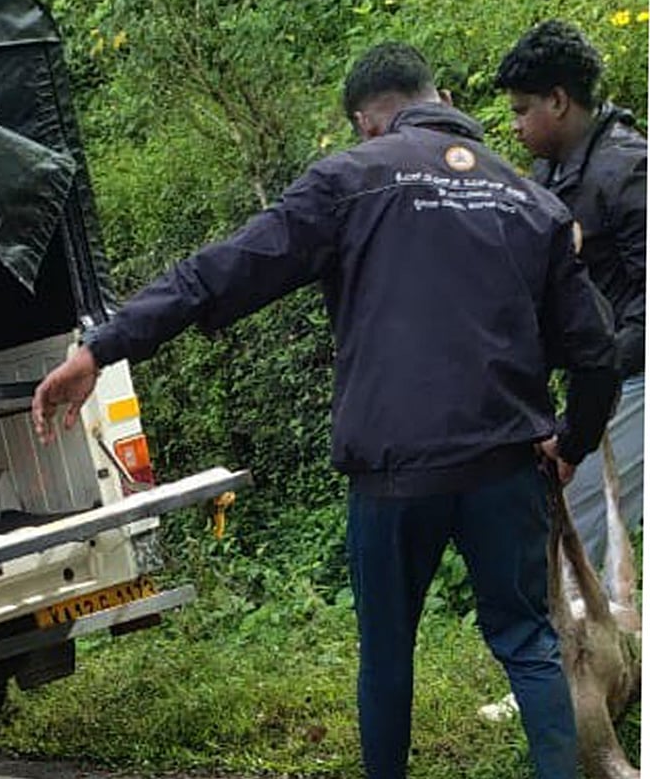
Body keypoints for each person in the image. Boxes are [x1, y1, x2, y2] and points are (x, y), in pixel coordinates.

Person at [31, 43, 619, 779]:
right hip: (503, 465)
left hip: (394, 473)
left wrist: (103, 347)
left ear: (366, 122)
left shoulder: (351, 179)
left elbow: (224, 270)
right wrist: (571, 442)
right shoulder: (528, 199)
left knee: (388, 653)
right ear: (438, 98)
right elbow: (597, 352)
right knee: (528, 642)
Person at [496, 20, 646, 569]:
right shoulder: (551, 171)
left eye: (521, 110)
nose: (514, 125)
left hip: (632, 379)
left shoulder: (628, 171)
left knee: (568, 540)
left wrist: (596, 378)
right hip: (598, 380)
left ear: (558, 101)